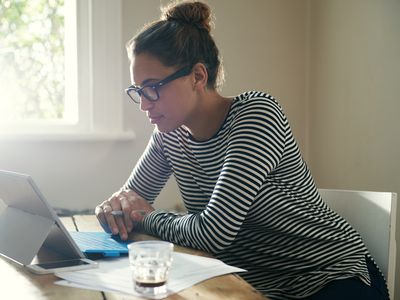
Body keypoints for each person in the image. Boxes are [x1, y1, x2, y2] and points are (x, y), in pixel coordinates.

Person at [95, 1, 389, 299]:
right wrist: (109, 210)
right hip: (256, 286)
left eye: (152, 87)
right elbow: (129, 203)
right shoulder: (168, 135)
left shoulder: (256, 115)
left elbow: (213, 232)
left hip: (328, 276)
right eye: (137, 91)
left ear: (197, 76)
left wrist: (146, 218)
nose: (144, 103)